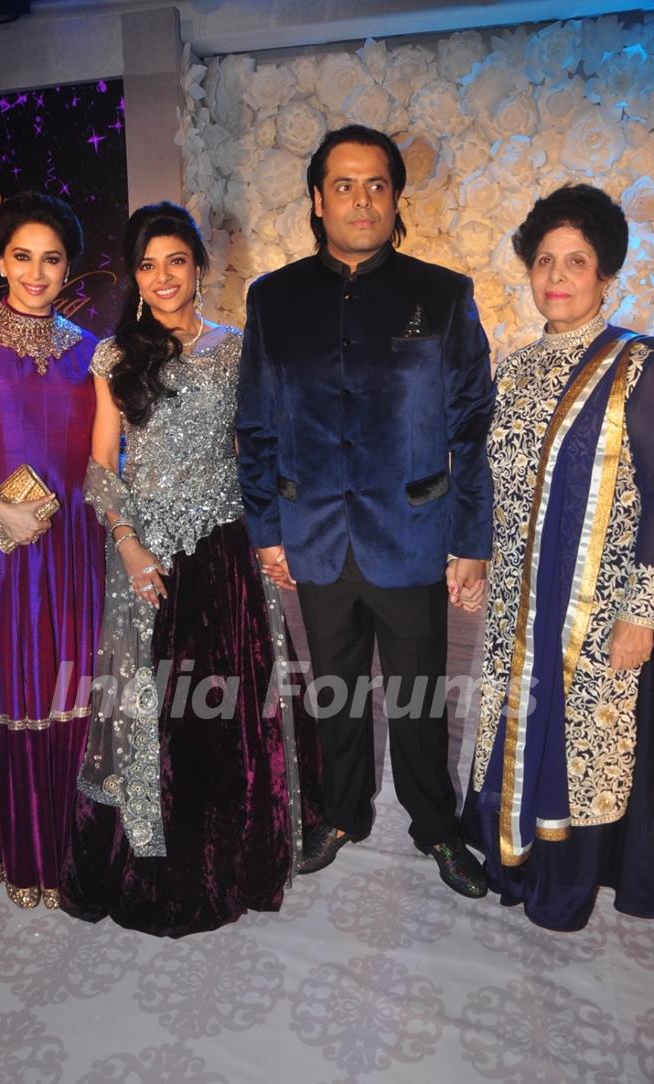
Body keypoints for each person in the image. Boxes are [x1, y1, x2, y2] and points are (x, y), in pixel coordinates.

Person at [237, 125, 494, 898]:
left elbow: (470, 424)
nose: (360, 199)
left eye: (376, 184)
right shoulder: (273, 299)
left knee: (419, 696)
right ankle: (342, 813)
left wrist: (470, 540)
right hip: (312, 533)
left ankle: (437, 826)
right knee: (336, 692)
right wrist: (265, 529)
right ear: (317, 200)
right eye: (342, 185)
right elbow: (255, 423)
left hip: (411, 534)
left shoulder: (442, 295)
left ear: (396, 198)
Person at [60, 202, 321, 938]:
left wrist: (275, 534)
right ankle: (154, 856)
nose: (164, 276)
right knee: (157, 708)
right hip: (148, 557)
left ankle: (235, 848)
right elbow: (100, 466)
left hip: (224, 548)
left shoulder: (237, 349)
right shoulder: (116, 358)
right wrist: (129, 542)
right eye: (148, 264)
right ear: (135, 276)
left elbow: (260, 447)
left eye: (177, 260)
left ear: (201, 268)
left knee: (228, 708)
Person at [463, 184, 654, 930]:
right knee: (514, 727)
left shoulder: (638, 368)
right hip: (517, 602)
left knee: (579, 744)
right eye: (545, 260)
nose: (557, 275)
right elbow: (485, 482)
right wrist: (472, 556)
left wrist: (645, 609)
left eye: (576, 261)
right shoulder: (511, 372)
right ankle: (512, 863)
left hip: (598, 608)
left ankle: (569, 887)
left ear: (606, 274)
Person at [0, 191, 104, 909]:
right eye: (22, 257)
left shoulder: (91, 351)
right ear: (1, 260)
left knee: (76, 695)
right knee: (13, 692)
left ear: (70, 267)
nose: (36, 273)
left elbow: (108, 460)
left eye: (52, 258)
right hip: (1, 555)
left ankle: (79, 849)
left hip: (75, 554)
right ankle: (17, 850)